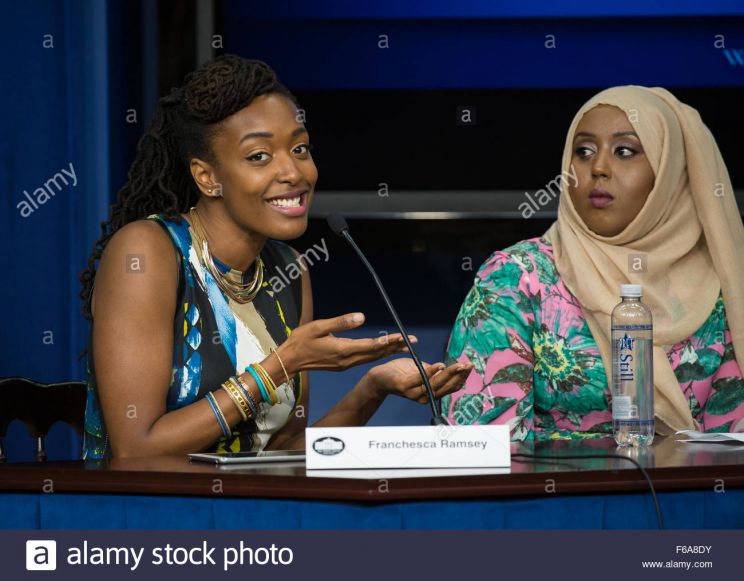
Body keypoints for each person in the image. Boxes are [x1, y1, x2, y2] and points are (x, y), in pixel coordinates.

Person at [79, 55, 472, 459]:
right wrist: (279, 366)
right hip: (145, 513)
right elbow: (136, 451)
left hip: (253, 511)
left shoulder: (289, 269)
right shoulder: (148, 252)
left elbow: (282, 454)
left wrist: (372, 389)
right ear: (206, 177)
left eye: (300, 148)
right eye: (259, 156)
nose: (294, 173)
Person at [442, 86, 744, 440]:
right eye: (583, 151)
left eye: (625, 151)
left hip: (694, 495)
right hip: (551, 495)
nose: (598, 168)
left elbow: (732, 447)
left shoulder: (723, 284)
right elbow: (482, 447)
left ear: (671, 171)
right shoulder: (517, 278)